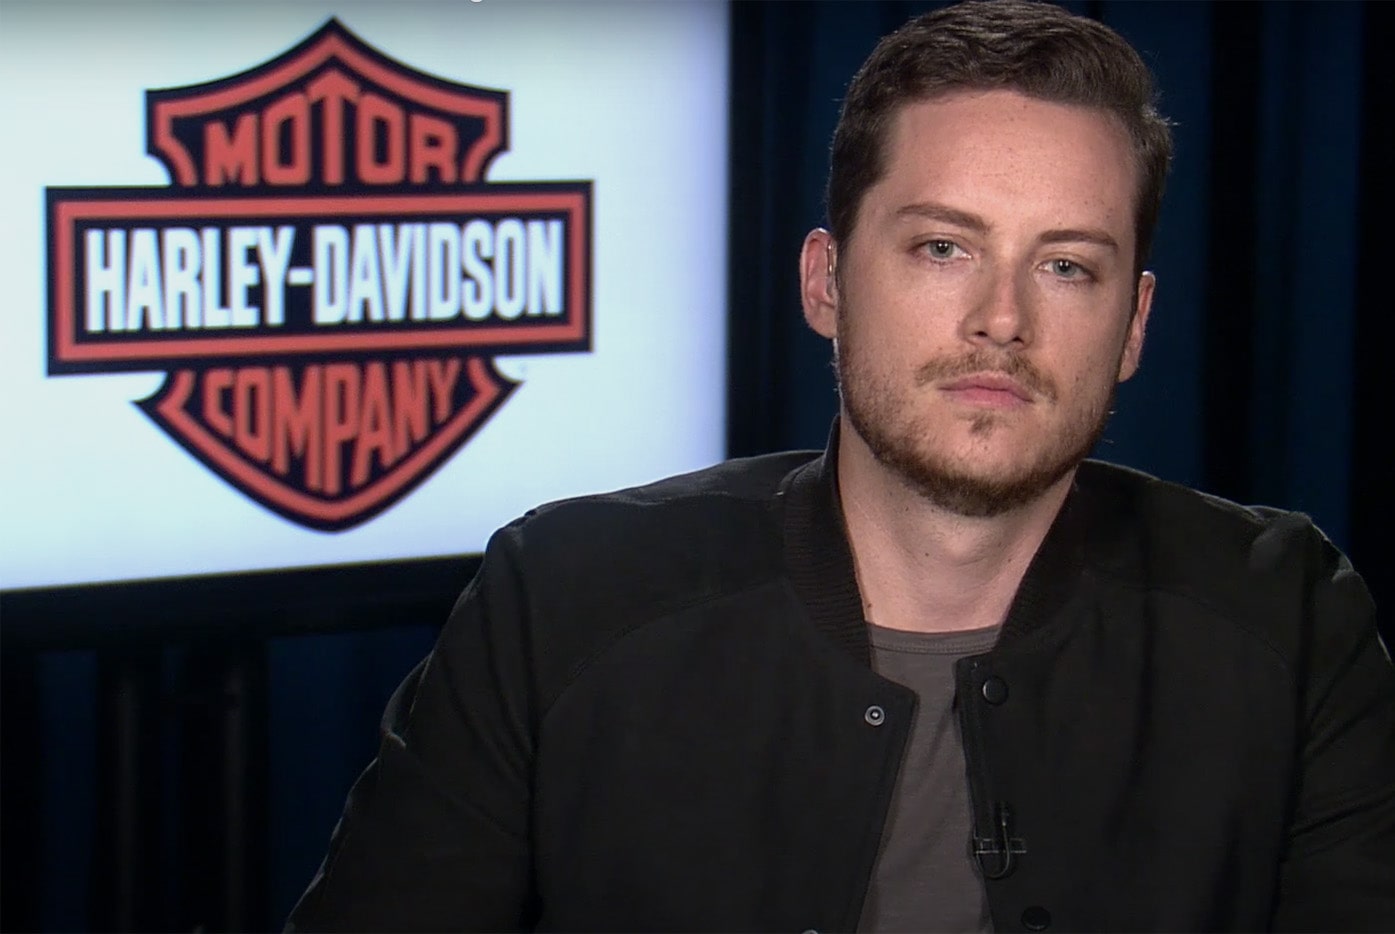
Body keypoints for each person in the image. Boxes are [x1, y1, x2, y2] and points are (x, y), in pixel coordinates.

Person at [288, 1, 1395, 931]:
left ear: (1135, 324)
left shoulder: (1287, 617)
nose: (1001, 318)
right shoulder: (561, 600)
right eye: (943, 247)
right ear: (825, 282)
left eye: (1066, 265)